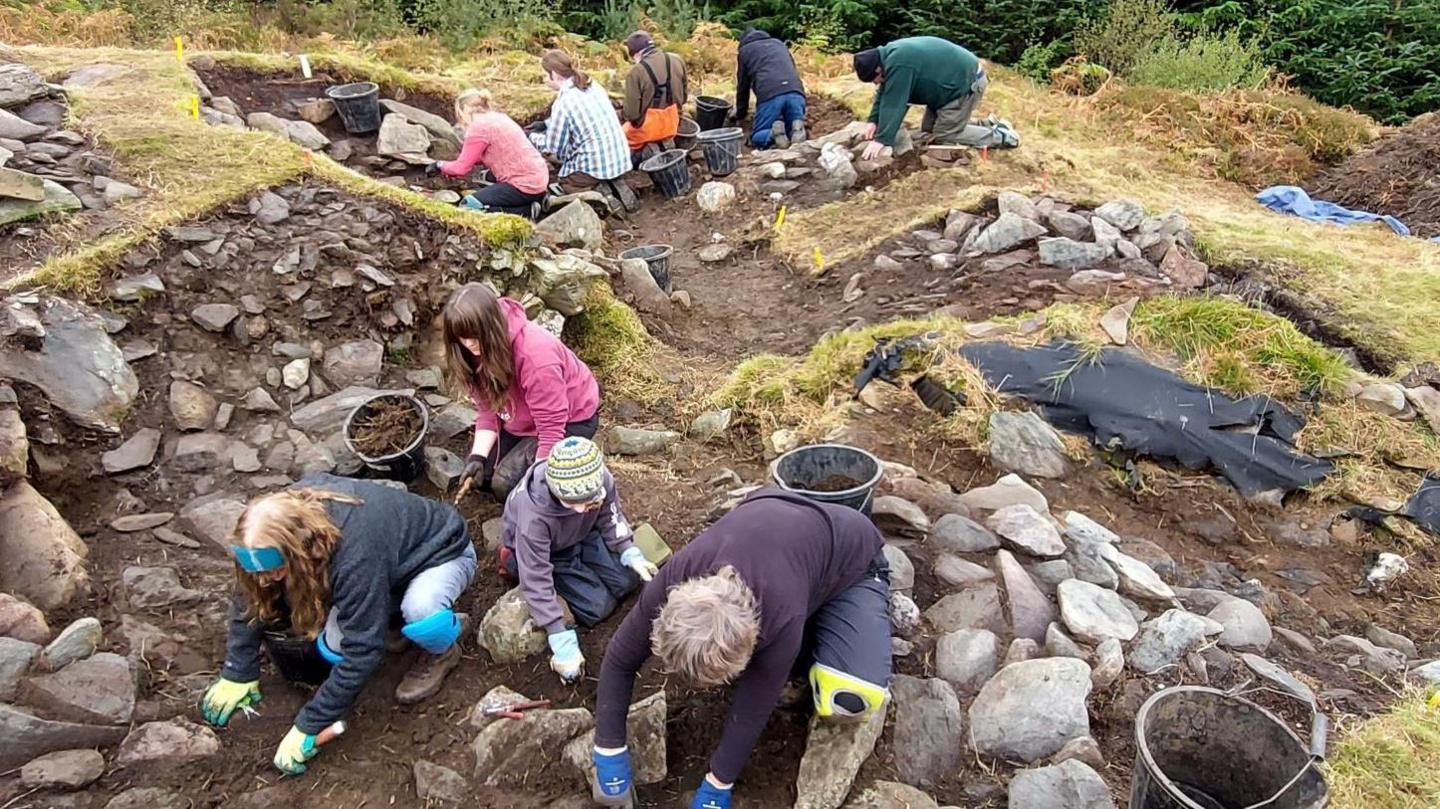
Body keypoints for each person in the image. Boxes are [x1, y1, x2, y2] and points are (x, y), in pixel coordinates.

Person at [589, 490, 892, 809]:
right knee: (787, 648)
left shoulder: (781, 613)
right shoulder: (676, 577)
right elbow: (621, 656)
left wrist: (717, 785)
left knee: (849, 697)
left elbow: (753, 707)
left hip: (852, 565)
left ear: (752, 638)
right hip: (778, 527)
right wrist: (608, 753)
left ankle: (858, 619)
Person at [199, 475, 476, 776]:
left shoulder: (355, 552)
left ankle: (442, 650)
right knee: (332, 645)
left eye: (274, 569)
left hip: (440, 555)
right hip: (388, 568)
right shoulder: (279, 521)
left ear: (296, 548)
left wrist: (309, 724)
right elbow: (250, 595)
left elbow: (361, 652)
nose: (265, 579)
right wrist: (238, 669)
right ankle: (391, 623)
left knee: (420, 613)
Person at [500, 436, 656, 683]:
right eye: (576, 503)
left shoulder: (599, 479)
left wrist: (629, 550)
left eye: (591, 500)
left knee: (627, 580)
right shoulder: (534, 519)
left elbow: (610, 515)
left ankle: (585, 563)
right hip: (549, 552)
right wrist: (558, 635)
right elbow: (537, 578)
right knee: (598, 607)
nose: (585, 506)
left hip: (583, 531)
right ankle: (511, 562)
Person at [445, 282, 602, 500]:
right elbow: (489, 410)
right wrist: (477, 458)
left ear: (492, 327)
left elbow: (550, 429)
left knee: (506, 486)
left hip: (570, 419)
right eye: (462, 337)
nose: (469, 344)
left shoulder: (536, 357)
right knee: (483, 477)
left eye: (475, 335)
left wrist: (540, 481)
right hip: (521, 415)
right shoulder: (471, 355)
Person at [852, 36, 1016, 161]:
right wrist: (873, 120)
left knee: (945, 134)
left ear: (878, 68)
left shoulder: (899, 64)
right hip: (946, 87)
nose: (876, 83)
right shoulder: (890, 56)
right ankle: (988, 125)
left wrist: (882, 140)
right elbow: (886, 91)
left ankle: (1000, 136)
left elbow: (895, 103)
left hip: (965, 85)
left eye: (875, 79)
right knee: (928, 130)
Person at [426, 88, 550, 218]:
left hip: (523, 185)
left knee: (469, 205)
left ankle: (525, 212)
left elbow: (460, 169)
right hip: (539, 178)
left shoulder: (478, 128)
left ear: (465, 110)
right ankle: (536, 201)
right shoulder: (500, 118)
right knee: (488, 179)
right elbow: (495, 152)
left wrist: (439, 165)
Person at [532, 50, 633, 196]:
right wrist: (547, 124)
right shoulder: (592, 85)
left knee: (565, 182)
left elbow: (553, 148)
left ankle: (600, 195)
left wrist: (532, 137)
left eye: (544, 75)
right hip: (621, 159)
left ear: (554, 74)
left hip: (596, 167)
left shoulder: (564, 102)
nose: (544, 80)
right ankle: (611, 186)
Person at [733, 28, 807, 149]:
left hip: (770, 94)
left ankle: (772, 134)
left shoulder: (745, 51)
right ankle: (796, 129)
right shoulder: (779, 44)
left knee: (758, 136)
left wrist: (740, 113)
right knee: (791, 129)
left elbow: (743, 86)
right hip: (795, 91)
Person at [620, 31, 688, 155]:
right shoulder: (677, 59)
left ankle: (643, 157)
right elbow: (683, 98)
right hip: (673, 123)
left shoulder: (636, 72)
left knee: (620, 135)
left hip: (647, 130)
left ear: (635, 53)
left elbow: (632, 114)